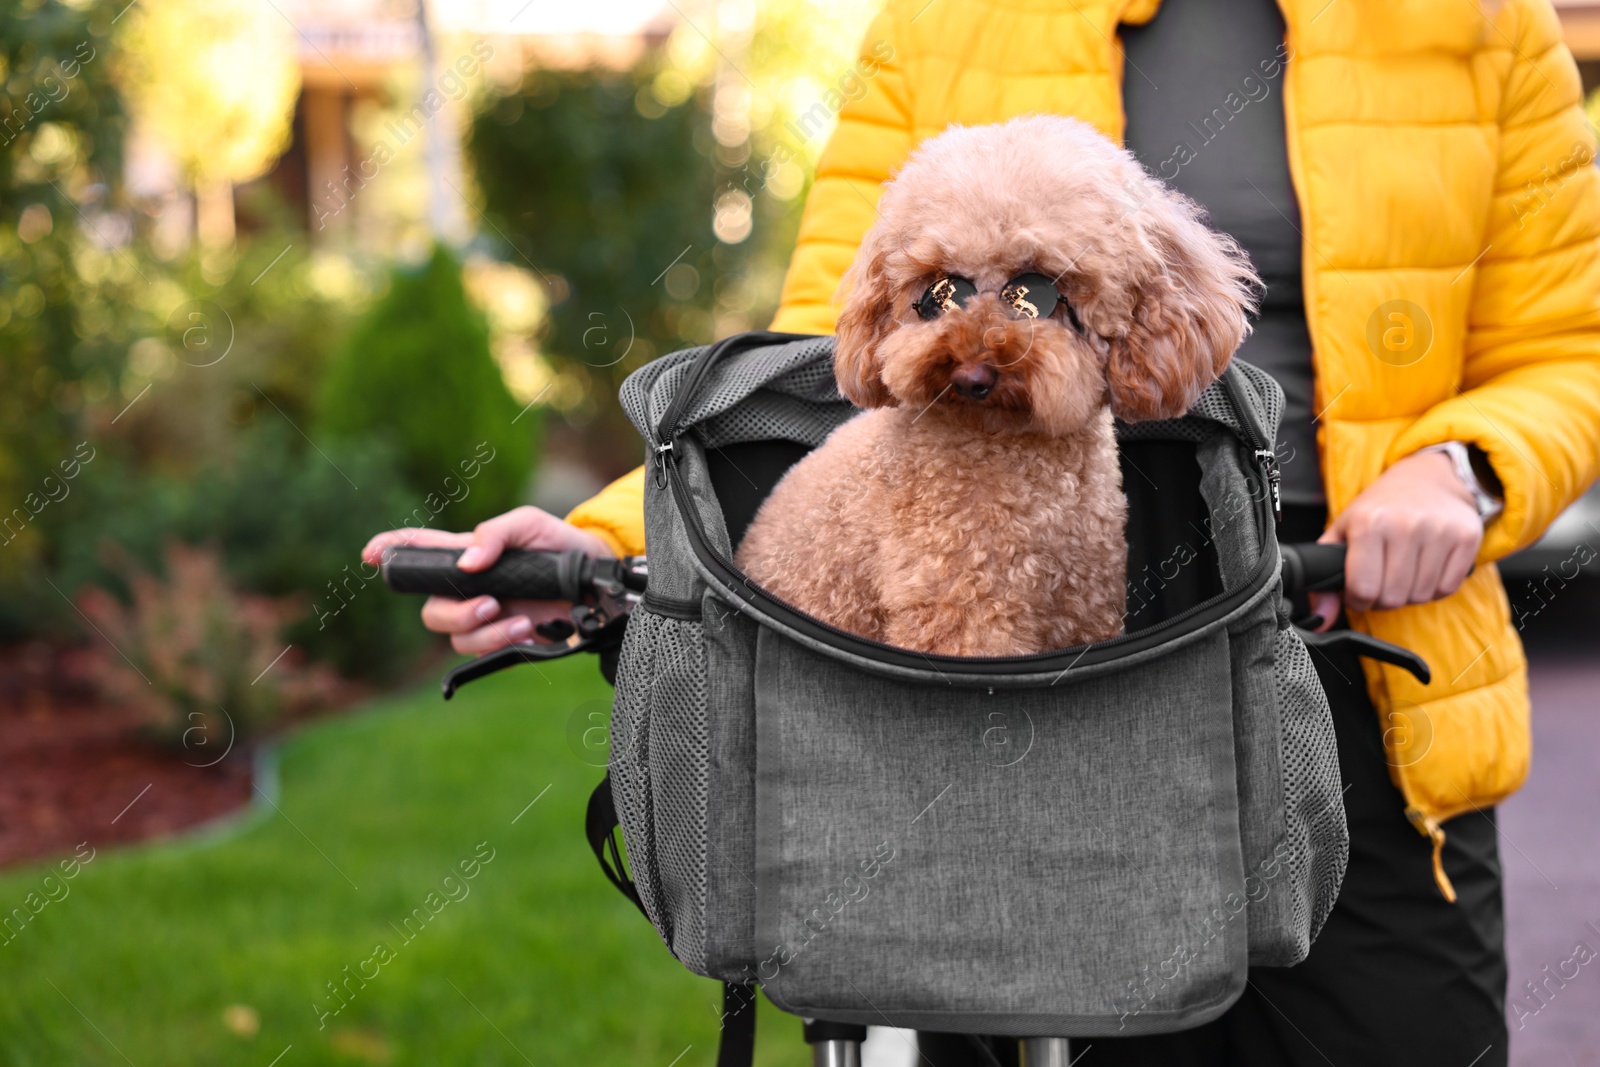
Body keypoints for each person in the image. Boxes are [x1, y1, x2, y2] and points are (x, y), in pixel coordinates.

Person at [364, 0, 1600, 1061]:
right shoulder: (949, 15)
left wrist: (1463, 470)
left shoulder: (1481, 21)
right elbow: (817, 372)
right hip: (998, 723)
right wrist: (597, 543)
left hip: (1363, 656)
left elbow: (1568, 346)